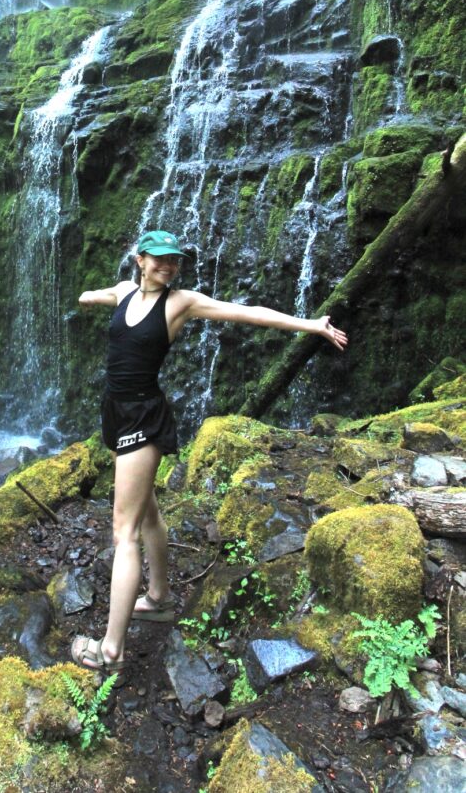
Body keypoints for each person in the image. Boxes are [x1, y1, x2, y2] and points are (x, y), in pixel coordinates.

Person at [70, 229, 348, 683]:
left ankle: (111, 650)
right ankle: (158, 598)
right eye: (159, 259)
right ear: (139, 260)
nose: (168, 266)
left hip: (143, 416)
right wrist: (87, 297)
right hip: (115, 410)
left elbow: (248, 314)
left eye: (174, 261)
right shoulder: (123, 292)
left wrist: (311, 325)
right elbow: (100, 294)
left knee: (123, 533)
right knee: (148, 513)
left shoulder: (180, 303)